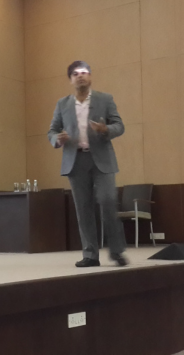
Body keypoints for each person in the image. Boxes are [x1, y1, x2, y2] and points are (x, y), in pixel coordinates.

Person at [48, 60, 127, 267]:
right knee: (83, 209)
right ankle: (90, 255)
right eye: (75, 73)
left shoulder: (105, 99)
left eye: (84, 72)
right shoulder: (62, 104)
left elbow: (119, 125)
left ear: (90, 76)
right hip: (75, 161)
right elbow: (52, 130)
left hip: (102, 159)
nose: (80, 76)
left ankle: (117, 251)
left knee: (108, 201)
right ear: (70, 80)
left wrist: (105, 129)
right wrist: (57, 139)